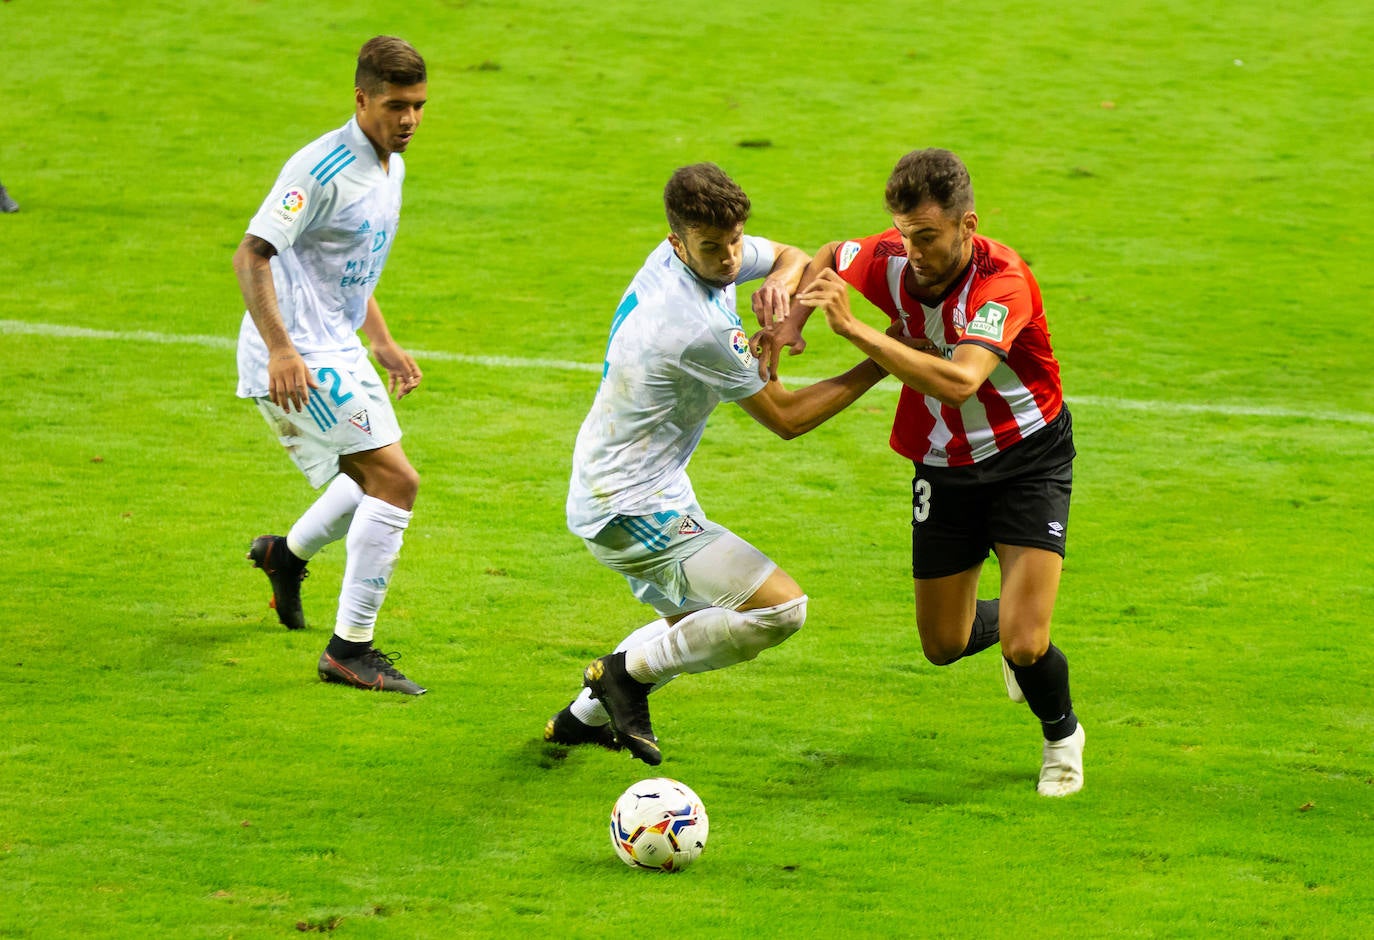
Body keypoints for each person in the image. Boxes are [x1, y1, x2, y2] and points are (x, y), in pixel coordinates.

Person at [544, 163, 890, 765]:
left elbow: (790, 252)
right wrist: (888, 356)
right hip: (624, 504)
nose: (731, 259)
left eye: (735, 241)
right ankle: (623, 677)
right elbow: (786, 417)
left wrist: (780, 284)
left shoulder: (694, 251)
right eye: (713, 248)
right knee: (780, 609)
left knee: (702, 626)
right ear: (678, 242)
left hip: (639, 484)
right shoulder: (691, 324)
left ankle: (579, 720)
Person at [771, 148, 1084, 796]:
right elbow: (829, 254)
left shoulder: (1003, 282)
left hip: (1026, 459)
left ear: (968, 226)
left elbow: (962, 381)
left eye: (928, 236)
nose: (911, 250)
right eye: (905, 233)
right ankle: (1022, 615)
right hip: (942, 466)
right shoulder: (892, 255)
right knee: (943, 643)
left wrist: (858, 332)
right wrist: (793, 322)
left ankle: (1062, 735)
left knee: (1026, 646)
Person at [233, 36, 429, 695]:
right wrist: (282, 350)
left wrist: (381, 337)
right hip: (295, 350)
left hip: (335, 342)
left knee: (370, 474)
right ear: (361, 98)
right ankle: (350, 650)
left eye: (419, 107)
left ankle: (283, 555)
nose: (408, 120)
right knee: (395, 480)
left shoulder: (389, 166)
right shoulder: (317, 170)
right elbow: (251, 255)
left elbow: (347, 267)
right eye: (396, 106)